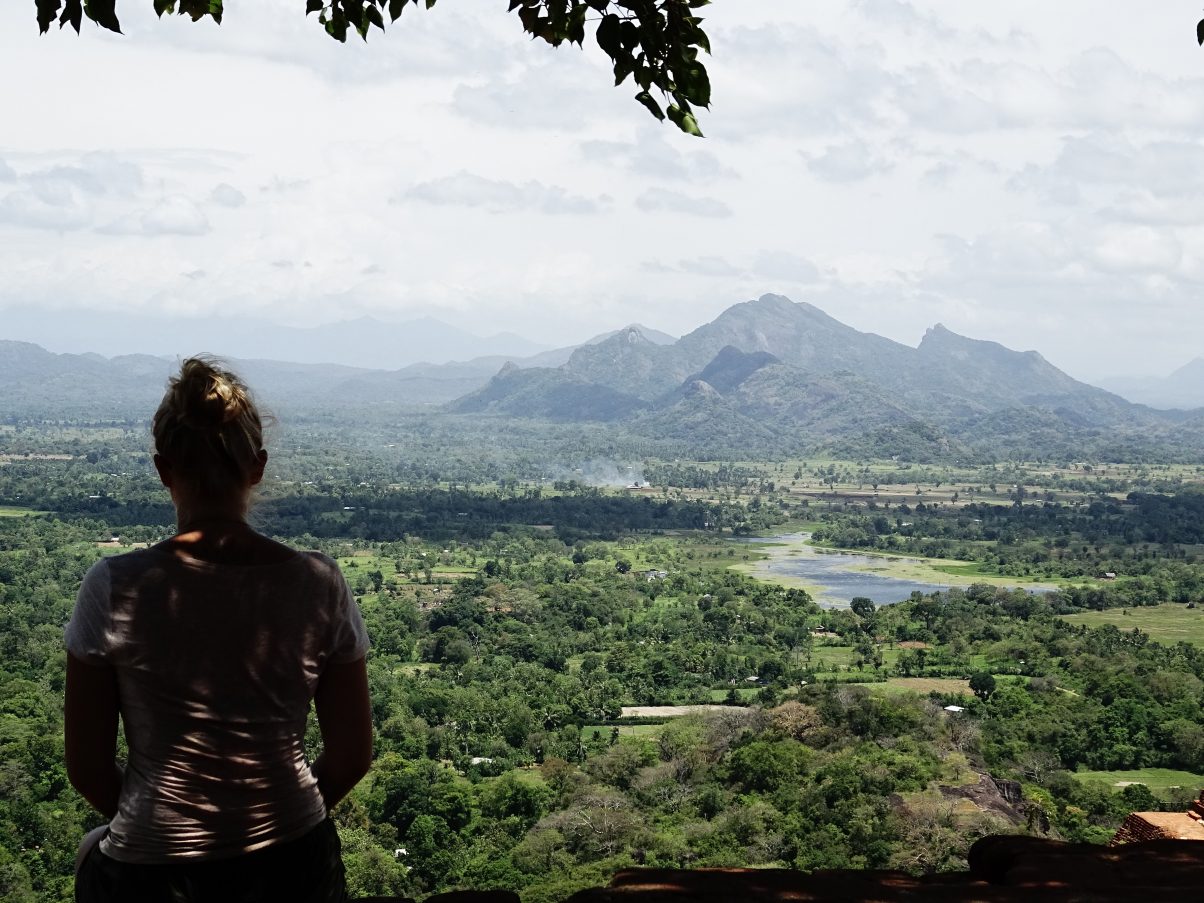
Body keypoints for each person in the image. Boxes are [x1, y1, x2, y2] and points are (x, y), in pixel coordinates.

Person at [64, 357, 372, 902]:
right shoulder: (318, 582)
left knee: (92, 847)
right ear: (256, 467)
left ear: (164, 470)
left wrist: (162, 825)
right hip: (294, 861)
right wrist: (272, 824)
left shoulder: (116, 585)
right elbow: (351, 755)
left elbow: (88, 766)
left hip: (155, 871)